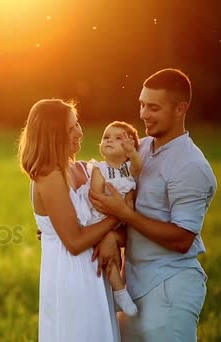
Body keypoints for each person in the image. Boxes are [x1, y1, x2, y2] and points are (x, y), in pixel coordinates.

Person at [90, 68, 217, 341]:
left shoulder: (190, 165)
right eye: (142, 104)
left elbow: (182, 238)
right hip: (133, 287)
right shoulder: (141, 148)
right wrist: (99, 232)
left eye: (154, 107)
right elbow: (112, 193)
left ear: (181, 109)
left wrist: (125, 214)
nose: (144, 114)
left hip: (169, 287)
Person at [18, 98, 121, 341]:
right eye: (71, 128)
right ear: (54, 136)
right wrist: (118, 215)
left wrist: (112, 225)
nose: (80, 132)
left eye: (78, 124)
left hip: (95, 271)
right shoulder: (48, 176)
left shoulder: (84, 169)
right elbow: (74, 242)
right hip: (71, 275)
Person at [73, 121, 142, 317]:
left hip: (122, 218)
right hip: (101, 216)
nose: (109, 140)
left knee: (117, 253)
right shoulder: (99, 169)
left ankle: (118, 290)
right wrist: (119, 209)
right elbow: (96, 196)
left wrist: (133, 153)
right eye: (106, 137)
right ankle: (120, 294)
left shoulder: (129, 167)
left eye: (118, 138)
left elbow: (138, 169)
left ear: (129, 148)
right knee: (109, 257)